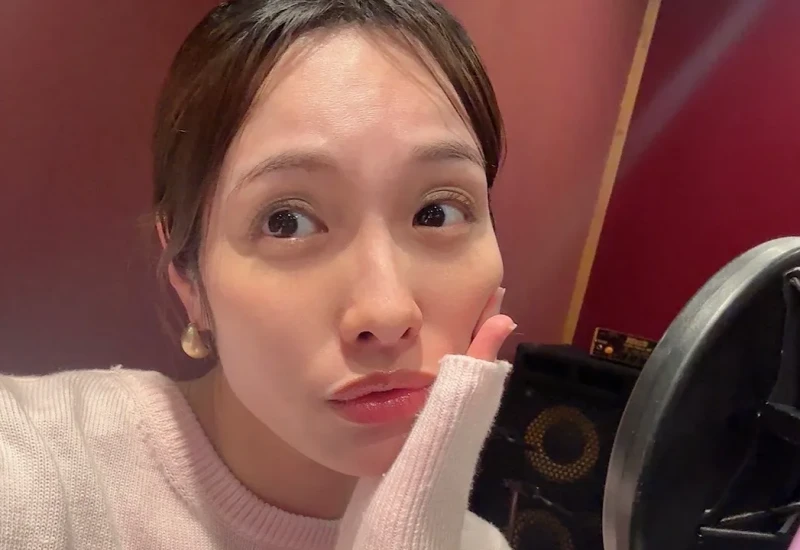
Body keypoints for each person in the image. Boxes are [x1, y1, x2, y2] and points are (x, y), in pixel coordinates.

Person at [0, 0, 518, 548]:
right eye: (286, 222)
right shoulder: (35, 469)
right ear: (188, 274)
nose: (387, 314)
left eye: (436, 212)